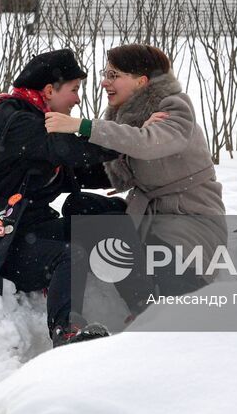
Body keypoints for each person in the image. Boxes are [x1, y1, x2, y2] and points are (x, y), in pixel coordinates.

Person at [0, 49, 118, 347]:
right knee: (70, 255)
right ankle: (66, 332)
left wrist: (133, 172)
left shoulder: (34, 121)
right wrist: (129, 141)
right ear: (48, 90)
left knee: (93, 216)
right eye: (74, 90)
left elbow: (73, 171)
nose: (77, 99)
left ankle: (144, 305)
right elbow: (68, 150)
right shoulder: (16, 121)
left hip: (25, 231)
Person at [45, 44, 226, 314]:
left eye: (114, 75)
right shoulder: (130, 119)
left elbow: (149, 143)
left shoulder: (174, 107)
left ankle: (150, 310)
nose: (105, 82)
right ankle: (138, 298)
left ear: (141, 80)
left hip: (188, 226)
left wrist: (82, 126)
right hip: (147, 223)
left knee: (175, 290)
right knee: (80, 206)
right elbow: (117, 171)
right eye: (105, 74)